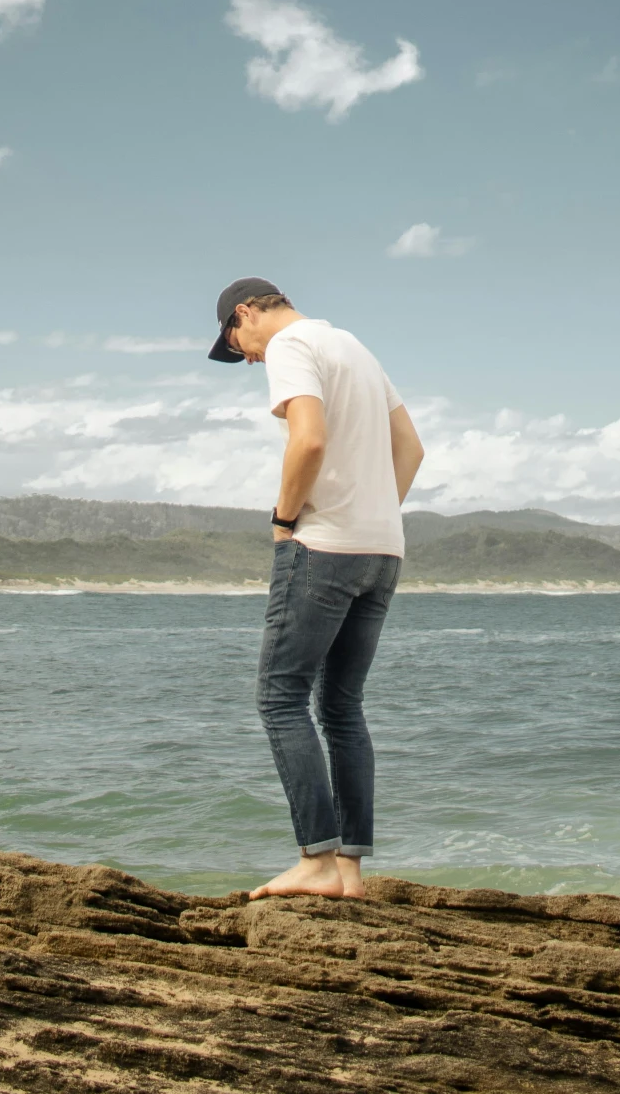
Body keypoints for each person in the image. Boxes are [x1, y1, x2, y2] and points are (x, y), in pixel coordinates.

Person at [209, 277, 424, 899]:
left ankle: (315, 861)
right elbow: (410, 447)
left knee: (280, 699)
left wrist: (284, 520)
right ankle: (349, 872)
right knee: (342, 707)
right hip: (382, 550)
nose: (246, 358)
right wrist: (375, 511)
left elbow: (309, 439)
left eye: (235, 343)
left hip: (323, 547)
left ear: (246, 314)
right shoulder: (353, 345)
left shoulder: (289, 348)